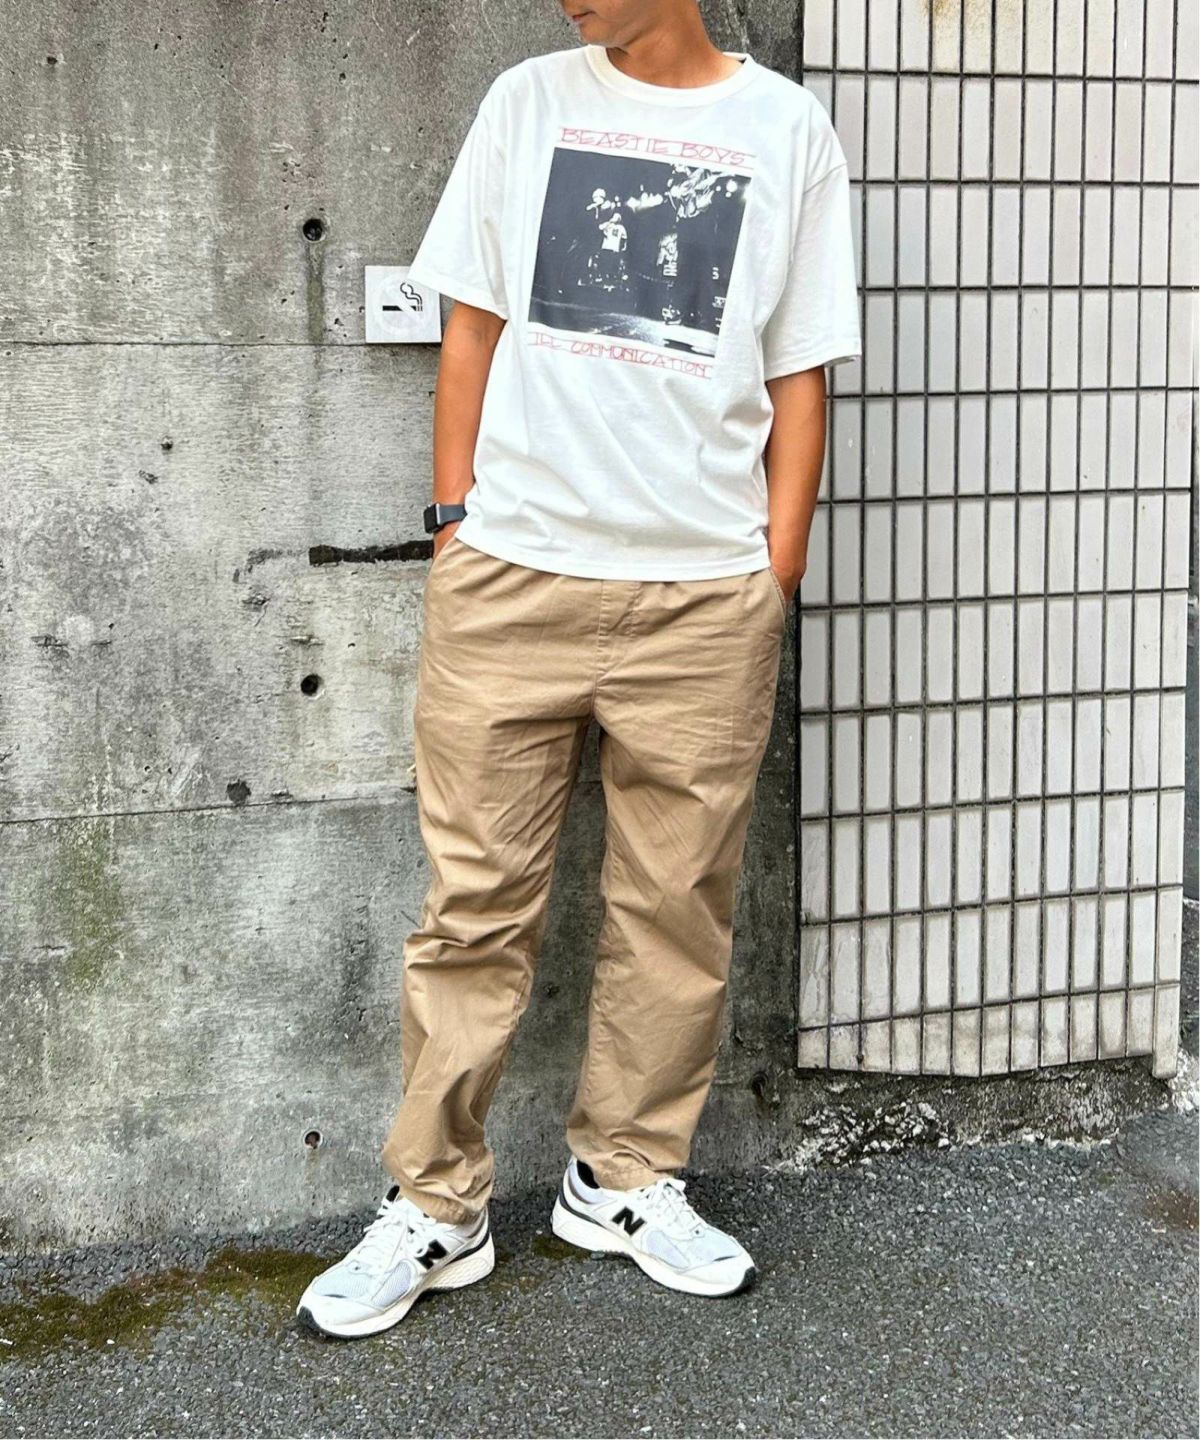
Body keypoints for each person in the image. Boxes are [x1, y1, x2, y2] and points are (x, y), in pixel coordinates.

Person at [297, 0, 860, 1339]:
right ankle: (436, 1204)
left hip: (703, 597)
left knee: (678, 909)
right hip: (516, 578)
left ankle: (623, 1180)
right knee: (473, 905)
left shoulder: (788, 130)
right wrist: (456, 522)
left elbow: (800, 372)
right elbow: (473, 325)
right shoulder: (529, 100)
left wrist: (772, 568)